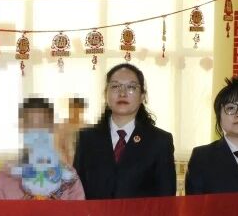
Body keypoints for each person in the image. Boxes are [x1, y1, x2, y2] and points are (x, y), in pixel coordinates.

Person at [73, 63, 177, 199]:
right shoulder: (87, 139)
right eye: (115, 86)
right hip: (94, 214)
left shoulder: (160, 141)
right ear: (105, 94)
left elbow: (166, 198)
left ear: (142, 96)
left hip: (142, 214)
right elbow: (76, 192)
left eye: (131, 87)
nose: (122, 93)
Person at [0, 97, 85, 200]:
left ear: (52, 128)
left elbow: (80, 208)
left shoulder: (68, 175)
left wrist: (55, 205)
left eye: (43, 124)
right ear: (22, 127)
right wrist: (21, 206)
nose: (37, 131)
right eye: (30, 124)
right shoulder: (7, 174)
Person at [55, 96, 87, 166]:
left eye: (78, 109)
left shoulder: (86, 126)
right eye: (73, 108)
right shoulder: (63, 126)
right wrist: (66, 163)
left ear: (82, 110)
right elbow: (58, 147)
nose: (75, 111)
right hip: (66, 163)